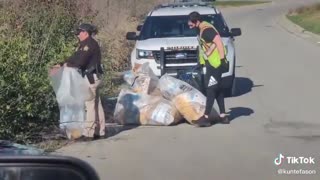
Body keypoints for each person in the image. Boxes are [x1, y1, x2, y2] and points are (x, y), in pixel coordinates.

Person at [53, 23, 105, 140]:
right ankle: (100, 131)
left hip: (91, 77)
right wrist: (62, 63)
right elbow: (75, 57)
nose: (77, 35)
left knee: (89, 104)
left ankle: (89, 133)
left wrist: (66, 65)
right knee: (96, 104)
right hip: (93, 76)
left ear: (85, 33)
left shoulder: (89, 45)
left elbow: (80, 62)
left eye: (79, 33)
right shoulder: (85, 44)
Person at [188, 11, 230, 127]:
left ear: (197, 22)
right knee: (217, 88)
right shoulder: (201, 29)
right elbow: (206, 47)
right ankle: (223, 116)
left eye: (191, 24)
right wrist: (202, 62)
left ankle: (206, 118)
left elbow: (218, 42)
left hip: (216, 64)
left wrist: (222, 60)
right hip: (211, 63)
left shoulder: (206, 30)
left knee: (210, 89)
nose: (189, 26)